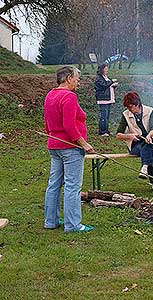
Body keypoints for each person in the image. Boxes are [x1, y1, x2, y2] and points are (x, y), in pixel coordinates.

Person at [44, 66, 95, 233]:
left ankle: (51, 221)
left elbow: (48, 124)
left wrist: (52, 136)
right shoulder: (69, 96)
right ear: (68, 79)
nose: (78, 82)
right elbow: (69, 126)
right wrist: (84, 144)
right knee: (73, 186)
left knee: (54, 184)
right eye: (76, 79)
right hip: (70, 148)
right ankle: (73, 225)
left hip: (54, 146)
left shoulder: (50, 95)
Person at [116, 91, 153, 194]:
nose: (129, 110)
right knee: (149, 150)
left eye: (130, 107)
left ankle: (145, 167)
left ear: (137, 104)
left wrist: (148, 136)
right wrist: (130, 136)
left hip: (150, 140)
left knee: (150, 145)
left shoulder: (149, 110)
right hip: (136, 145)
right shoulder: (125, 114)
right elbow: (118, 135)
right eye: (128, 107)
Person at [95, 63, 119, 137]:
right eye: (105, 69)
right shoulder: (99, 78)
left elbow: (108, 86)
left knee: (107, 116)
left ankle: (106, 130)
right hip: (103, 99)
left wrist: (113, 86)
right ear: (102, 70)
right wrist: (111, 81)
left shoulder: (106, 77)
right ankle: (102, 131)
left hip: (108, 99)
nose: (107, 70)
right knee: (103, 116)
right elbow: (103, 86)